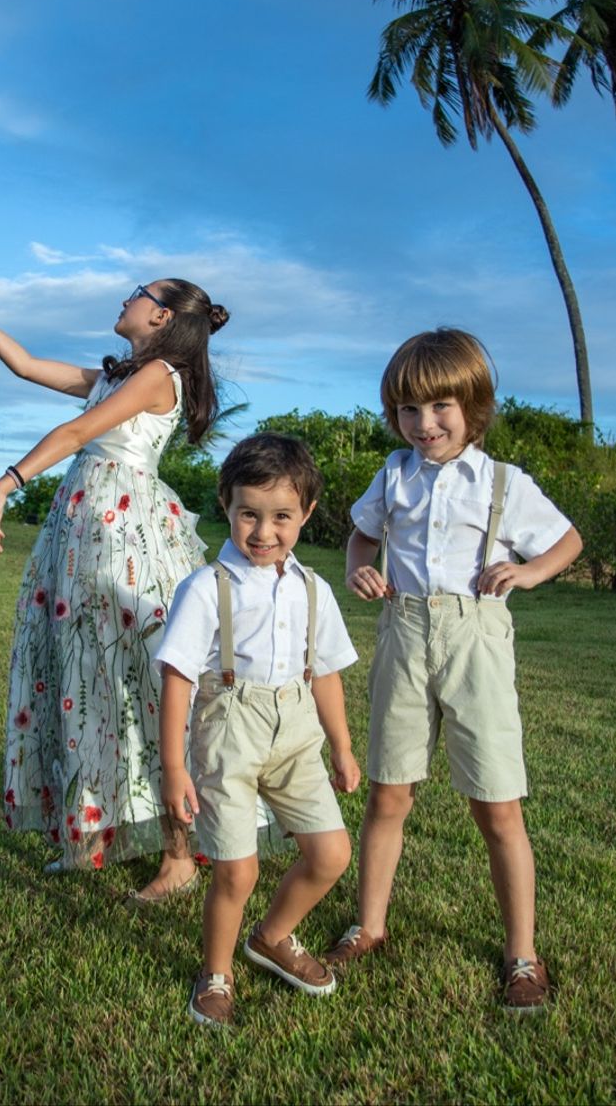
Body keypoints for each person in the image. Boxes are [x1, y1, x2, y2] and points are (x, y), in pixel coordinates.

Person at [0, 261, 225, 898]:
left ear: (162, 316)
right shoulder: (118, 375)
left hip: (122, 532)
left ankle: (178, 855)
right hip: (84, 523)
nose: (125, 298)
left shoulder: (158, 374)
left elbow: (81, 431)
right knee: (82, 673)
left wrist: (9, 479)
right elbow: (27, 366)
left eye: (138, 294)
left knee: (138, 677)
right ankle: (93, 835)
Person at [329, 327, 582, 1013]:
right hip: (404, 633)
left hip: (477, 637)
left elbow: (568, 540)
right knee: (389, 792)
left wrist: (528, 572)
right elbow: (362, 534)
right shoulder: (394, 474)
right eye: (410, 410)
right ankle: (370, 926)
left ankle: (521, 953)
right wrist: (360, 567)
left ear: (474, 406)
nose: (425, 424)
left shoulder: (503, 482)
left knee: (497, 804)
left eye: (441, 407)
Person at [156, 433, 361, 1027]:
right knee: (236, 870)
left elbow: (323, 673)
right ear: (226, 504)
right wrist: (174, 769)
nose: (264, 532)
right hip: (229, 734)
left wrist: (342, 748)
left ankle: (273, 937)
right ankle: (215, 973)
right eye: (250, 513)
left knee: (330, 853)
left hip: (297, 736)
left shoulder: (312, 590)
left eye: (281, 517)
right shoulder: (205, 588)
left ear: (307, 514)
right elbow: (177, 679)